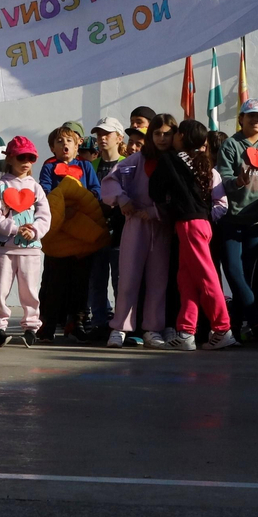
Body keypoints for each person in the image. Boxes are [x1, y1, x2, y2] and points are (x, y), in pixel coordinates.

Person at [148, 119, 235, 351]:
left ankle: (223, 328)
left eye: (175, 134)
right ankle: (186, 331)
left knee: (206, 278)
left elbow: (154, 190)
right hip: (202, 223)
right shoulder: (203, 162)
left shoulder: (170, 159)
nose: (171, 137)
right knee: (186, 279)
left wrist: (166, 201)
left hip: (188, 224)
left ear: (183, 137)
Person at [101, 114, 172, 349]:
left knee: (158, 280)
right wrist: (121, 199)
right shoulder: (135, 160)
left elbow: (181, 198)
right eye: (157, 133)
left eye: (167, 133)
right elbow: (111, 182)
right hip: (135, 225)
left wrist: (157, 211)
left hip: (162, 226)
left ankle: (152, 328)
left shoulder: (174, 162)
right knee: (128, 278)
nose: (162, 138)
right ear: (151, 135)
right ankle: (119, 327)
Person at [213, 99, 258, 344]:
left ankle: (240, 326)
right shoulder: (230, 145)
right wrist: (238, 181)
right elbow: (224, 179)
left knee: (251, 275)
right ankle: (256, 324)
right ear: (241, 118)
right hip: (231, 219)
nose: (256, 120)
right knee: (233, 271)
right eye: (251, 116)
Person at [38, 127, 110, 343]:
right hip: (59, 233)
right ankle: (48, 324)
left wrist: (78, 205)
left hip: (80, 233)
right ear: (52, 147)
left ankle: (76, 322)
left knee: (80, 282)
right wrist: (63, 206)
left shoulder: (85, 166)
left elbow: (95, 192)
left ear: (78, 145)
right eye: (59, 141)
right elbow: (46, 192)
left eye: (69, 140)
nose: (65, 145)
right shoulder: (49, 167)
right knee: (55, 283)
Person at [0, 136, 52, 346]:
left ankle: (32, 326)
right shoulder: (0, 186)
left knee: (30, 291)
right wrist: (15, 228)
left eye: (31, 158)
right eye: (21, 156)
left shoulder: (36, 188)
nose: (26, 161)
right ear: (10, 159)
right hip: (3, 249)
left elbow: (44, 216)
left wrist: (33, 232)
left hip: (30, 249)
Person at [88, 117, 128, 341]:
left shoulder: (127, 163)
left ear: (119, 138)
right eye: (99, 134)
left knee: (120, 281)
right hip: (95, 231)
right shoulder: (90, 165)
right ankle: (99, 323)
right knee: (96, 281)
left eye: (107, 134)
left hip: (120, 232)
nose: (102, 138)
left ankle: (120, 324)